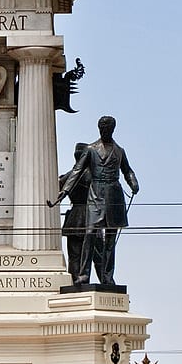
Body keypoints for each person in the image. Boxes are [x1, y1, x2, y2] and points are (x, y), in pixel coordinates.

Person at [57, 116, 138, 286]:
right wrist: (64, 191)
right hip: (96, 195)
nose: (105, 131)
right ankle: (84, 275)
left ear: (112, 130)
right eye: (103, 129)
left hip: (114, 196)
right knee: (90, 234)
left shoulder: (119, 151)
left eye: (108, 129)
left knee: (109, 240)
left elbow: (127, 170)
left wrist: (133, 182)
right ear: (99, 129)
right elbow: (77, 171)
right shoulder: (91, 149)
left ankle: (108, 277)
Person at [57, 142, 89, 283]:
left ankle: (75, 282)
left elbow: (56, 187)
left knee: (74, 255)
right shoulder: (92, 175)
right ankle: (103, 281)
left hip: (74, 217)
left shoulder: (68, 176)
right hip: (90, 216)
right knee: (93, 255)